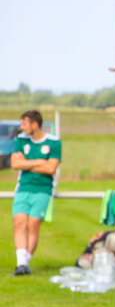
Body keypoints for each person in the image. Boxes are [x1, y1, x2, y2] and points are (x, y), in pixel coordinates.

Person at [11, 110, 62, 276]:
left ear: (35, 124)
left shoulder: (54, 143)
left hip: (42, 189)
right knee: (19, 222)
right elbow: (15, 164)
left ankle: (26, 261)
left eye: (24, 123)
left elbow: (51, 168)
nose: (21, 127)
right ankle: (21, 263)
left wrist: (26, 163)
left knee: (33, 224)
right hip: (23, 188)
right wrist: (40, 162)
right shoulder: (20, 140)